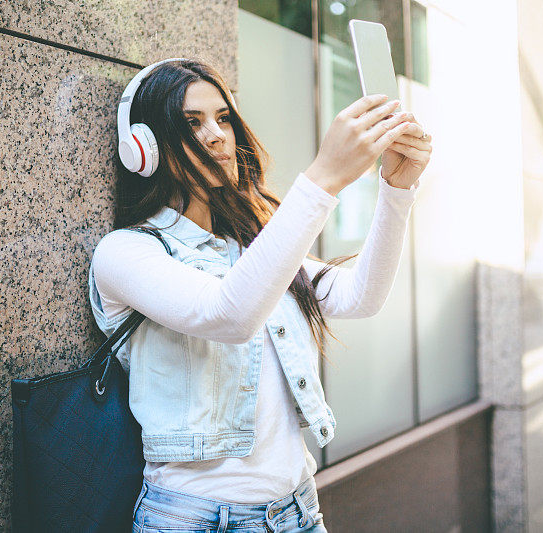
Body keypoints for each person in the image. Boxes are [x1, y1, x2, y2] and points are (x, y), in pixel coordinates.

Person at [88, 58, 431, 532]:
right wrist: (324, 177)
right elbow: (229, 314)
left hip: (297, 513)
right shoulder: (125, 252)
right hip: (196, 521)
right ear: (144, 147)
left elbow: (360, 296)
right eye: (192, 123)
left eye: (223, 117)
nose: (216, 135)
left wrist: (397, 189)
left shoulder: (251, 249)